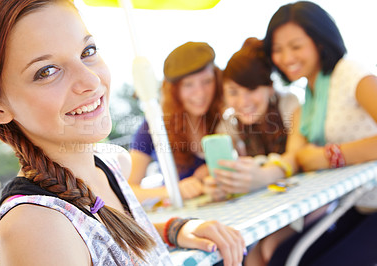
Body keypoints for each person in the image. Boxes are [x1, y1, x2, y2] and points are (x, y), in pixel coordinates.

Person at [0, 0, 246, 265]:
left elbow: (104, 237)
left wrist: (172, 229)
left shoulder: (109, 166)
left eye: (87, 51)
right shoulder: (34, 228)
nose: (91, 81)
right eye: (47, 71)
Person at [250, 1, 377, 265]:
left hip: (367, 203)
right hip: (357, 205)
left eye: (296, 46)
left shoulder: (349, 72)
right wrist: (257, 173)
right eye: (277, 50)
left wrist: (331, 156)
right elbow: (296, 156)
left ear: (320, 42)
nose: (287, 58)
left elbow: (311, 156)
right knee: (278, 258)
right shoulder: (308, 98)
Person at [203, 37, 300, 201]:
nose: (243, 102)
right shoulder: (228, 126)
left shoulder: (288, 105)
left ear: (270, 88)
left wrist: (264, 175)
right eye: (233, 92)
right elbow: (223, 169)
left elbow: (296, 155)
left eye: (252, 89)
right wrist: (221, 184)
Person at [129, 41, 223, 203]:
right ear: (173, 91)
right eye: (188, 85)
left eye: (207, 81)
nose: (200, 93)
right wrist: (173, 190)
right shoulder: (152, 127)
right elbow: (128, 189)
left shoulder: (225, 115)